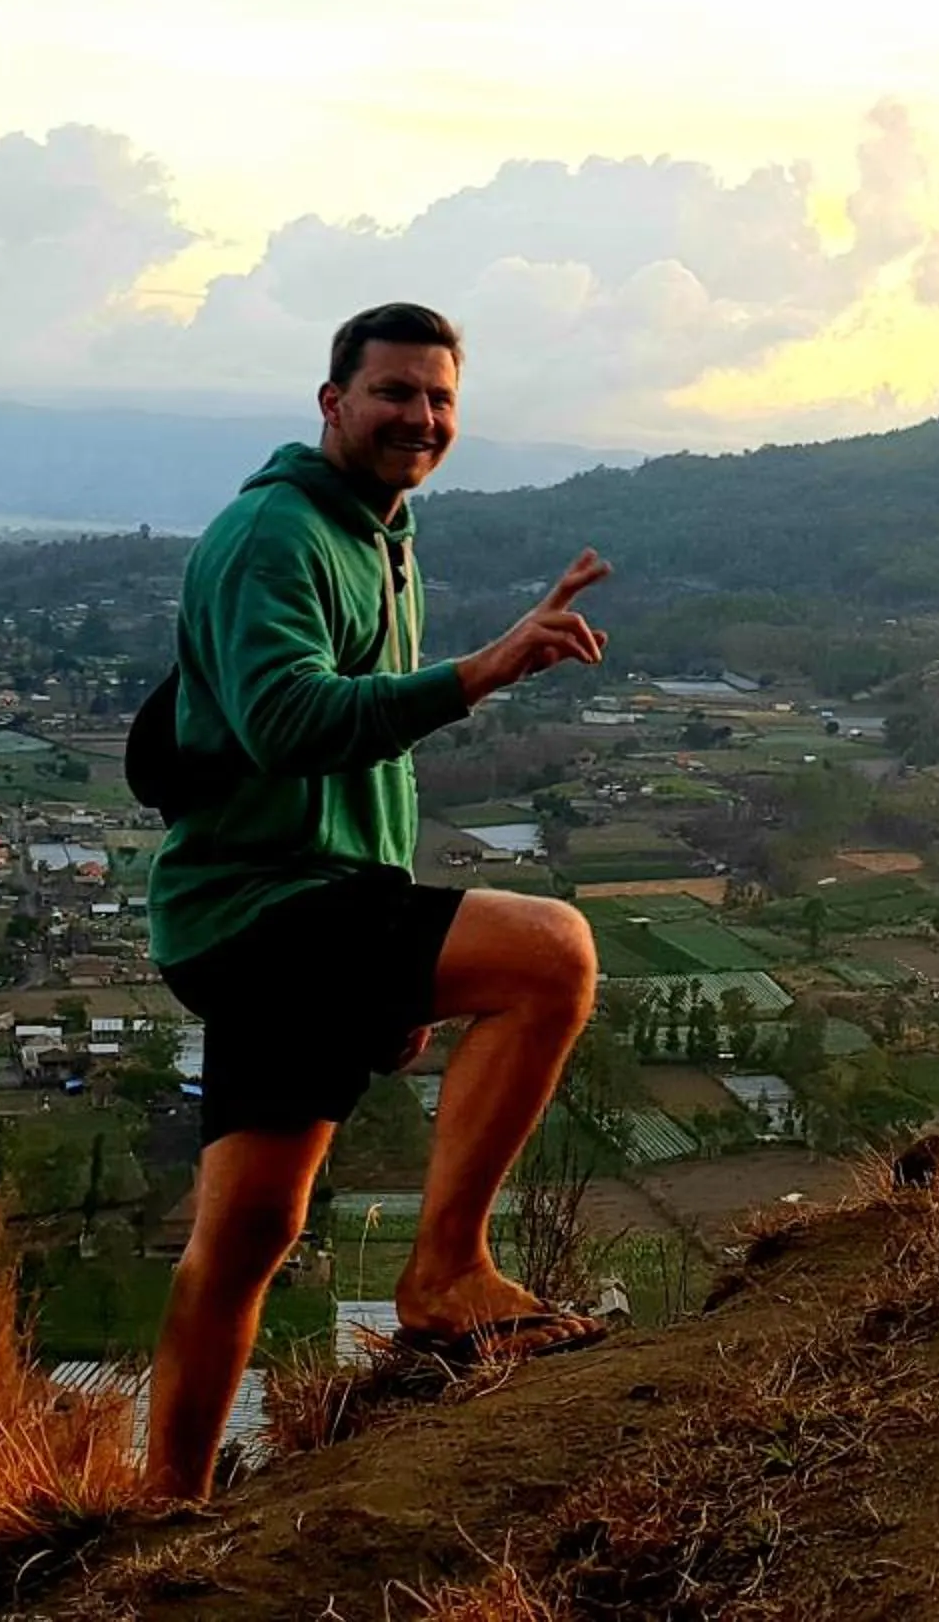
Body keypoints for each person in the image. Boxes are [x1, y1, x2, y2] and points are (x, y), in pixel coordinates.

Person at [143, 302, 613, 1501]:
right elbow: (288, 722)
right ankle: (446, 1274)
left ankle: (161, 1512)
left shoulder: (384, 534)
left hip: (314, 906)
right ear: (332, 402)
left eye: (440, 398)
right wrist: (483, 668)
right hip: (262, 911)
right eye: (395, 392)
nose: (421, 417)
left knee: (246, 1234)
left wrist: (398, 955)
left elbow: (374, 771)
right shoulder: (276, 534)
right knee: (552, 953)